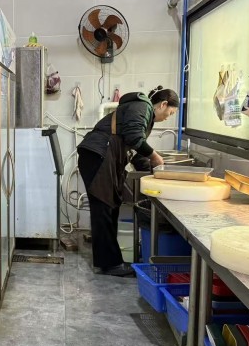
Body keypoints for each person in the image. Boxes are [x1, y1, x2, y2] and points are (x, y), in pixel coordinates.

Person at [77, 86, 180, 277]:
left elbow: (135, 149)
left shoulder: (143, 115)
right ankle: (110, 264)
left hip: (100, 155)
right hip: (98, 154)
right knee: (104, 207)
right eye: (170, 113)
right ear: (163, 104)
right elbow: (134, 138)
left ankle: (110, 261)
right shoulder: (143, 107)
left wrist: (153, 172)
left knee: (110, 207)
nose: (168, 117)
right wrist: (155, 157)